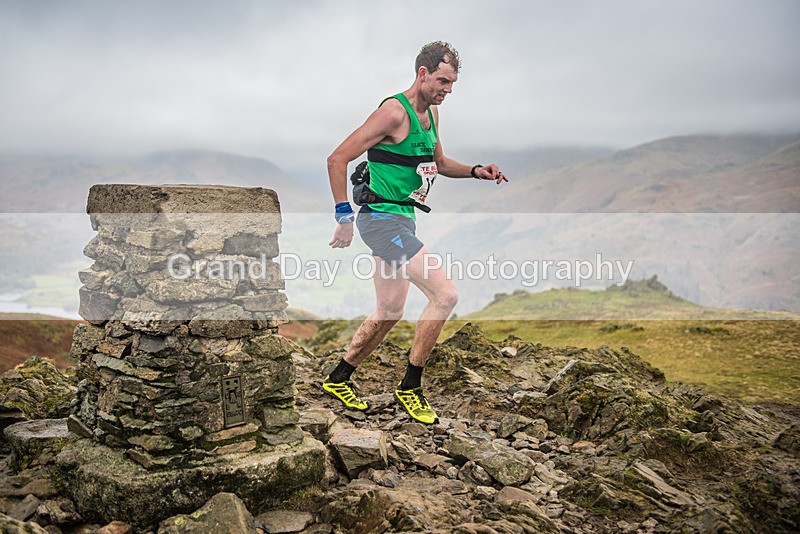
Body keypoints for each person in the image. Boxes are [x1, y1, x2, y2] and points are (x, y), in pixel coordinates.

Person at [324, 41, 508, 425]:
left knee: (390, 311)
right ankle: (411, 386)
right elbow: (337, 158)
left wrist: (476, 171)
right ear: (422, 73)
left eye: (453, 82)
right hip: (380, 221)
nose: (448, 89)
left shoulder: (432, 115)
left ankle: (339, 377)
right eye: (443, 80)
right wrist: (344, 216)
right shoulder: (393, 112)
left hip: (403, 220)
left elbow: (438, 163)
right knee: (445, 294)